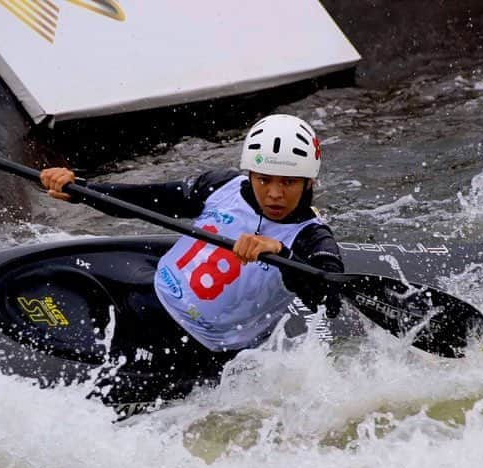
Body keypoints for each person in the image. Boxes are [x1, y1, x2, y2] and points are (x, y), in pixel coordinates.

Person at [39, 114, 343, 359]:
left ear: (308, 182)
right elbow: (147, 200)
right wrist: (82, 190)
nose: (275, 194)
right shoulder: (223, 186)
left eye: (289, 182)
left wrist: (283, 255)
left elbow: (328, 296)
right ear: (251, 174)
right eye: (264, 180)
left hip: (199, 345)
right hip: (149, 293)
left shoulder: (312, 237)